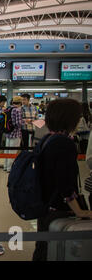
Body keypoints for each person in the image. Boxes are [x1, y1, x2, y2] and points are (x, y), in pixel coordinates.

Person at [33, 99, 92, 261]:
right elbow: (64, 183)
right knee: (55, 249)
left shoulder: (46, 139)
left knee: (43, 247)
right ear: (69, 118)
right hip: (58, 209)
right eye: (78, 116)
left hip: (45, 205)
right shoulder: (64, 143)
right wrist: (79, 210)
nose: (80, 120)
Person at [3, 96, 25, 173]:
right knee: (12, 152)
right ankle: (10, 168)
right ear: (20, 102)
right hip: (15, 134)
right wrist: (25, 121)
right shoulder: (17, 110)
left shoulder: (8, 108)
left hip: (8, 133)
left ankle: (5, 166)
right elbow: (18, 123)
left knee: (7, 151)